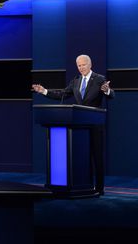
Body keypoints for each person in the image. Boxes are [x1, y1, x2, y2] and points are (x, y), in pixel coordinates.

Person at [32, 54, 115, 195]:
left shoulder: (99, 79)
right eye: (78, 65)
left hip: (94, 125)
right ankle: (82, 185)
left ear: (90, 65)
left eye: (83, 65)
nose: (81, 68)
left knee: (97, 157)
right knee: (81, 156)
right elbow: (63, 93)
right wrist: (44, 91)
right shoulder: (76, 81)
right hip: (79, 127)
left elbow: (111, 94)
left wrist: (106, 90)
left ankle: (100, 189)